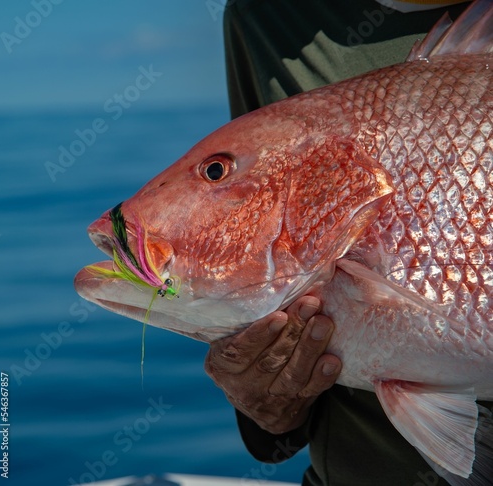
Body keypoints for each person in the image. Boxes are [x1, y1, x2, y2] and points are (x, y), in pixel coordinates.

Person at [205, 1, 489, 485]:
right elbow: (273, 417)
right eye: (215, 171)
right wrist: (265, 402)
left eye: (217, 171)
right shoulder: (268, 19)